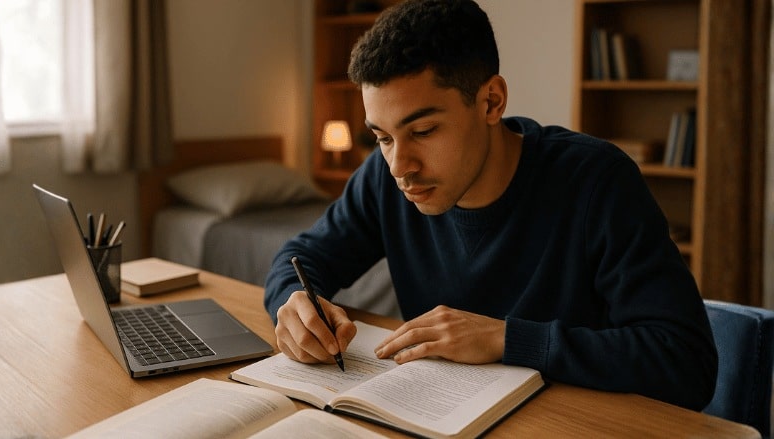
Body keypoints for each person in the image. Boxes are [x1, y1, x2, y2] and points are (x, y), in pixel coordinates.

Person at [264, 0, 717, 411]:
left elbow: (686, 363)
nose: (400, 165)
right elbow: (300, 258)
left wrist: (506, 337)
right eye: (382, 137)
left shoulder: (596, 181)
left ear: (491, 101)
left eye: (423, 132)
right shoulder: (384, 177)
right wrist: (295, 302)